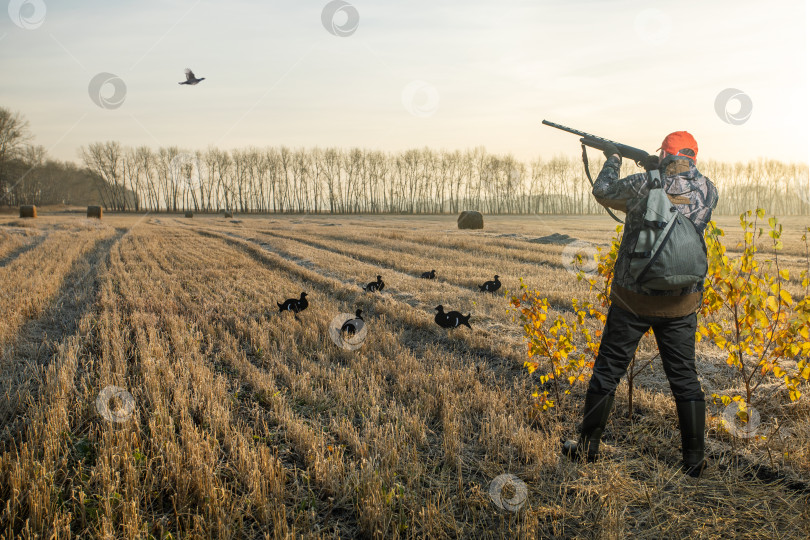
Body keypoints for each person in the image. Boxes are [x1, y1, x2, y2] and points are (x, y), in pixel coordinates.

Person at [562, 131, 719, 478]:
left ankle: (587, 449)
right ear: (694, 157)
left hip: (633, 300)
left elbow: (602, 191)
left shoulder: (642, 185)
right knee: (684, 379)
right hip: (682, 303)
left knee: (608, 372)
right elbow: (678, 194)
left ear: (663, 153)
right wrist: (656, 166)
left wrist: (613, 157)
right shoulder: (709, 188)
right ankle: (694, 461)